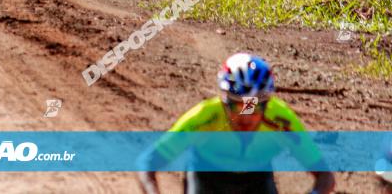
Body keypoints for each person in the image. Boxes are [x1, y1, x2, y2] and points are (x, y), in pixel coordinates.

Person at [137, 53, 335, 194]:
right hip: (207, 178)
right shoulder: (205, 117)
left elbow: (325, 177)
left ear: (267, 104)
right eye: (234, 105)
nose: (244, 116)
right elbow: (147, 163)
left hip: (256, 180)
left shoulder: (281, 121)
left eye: (253, 106)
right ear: (223, 99)